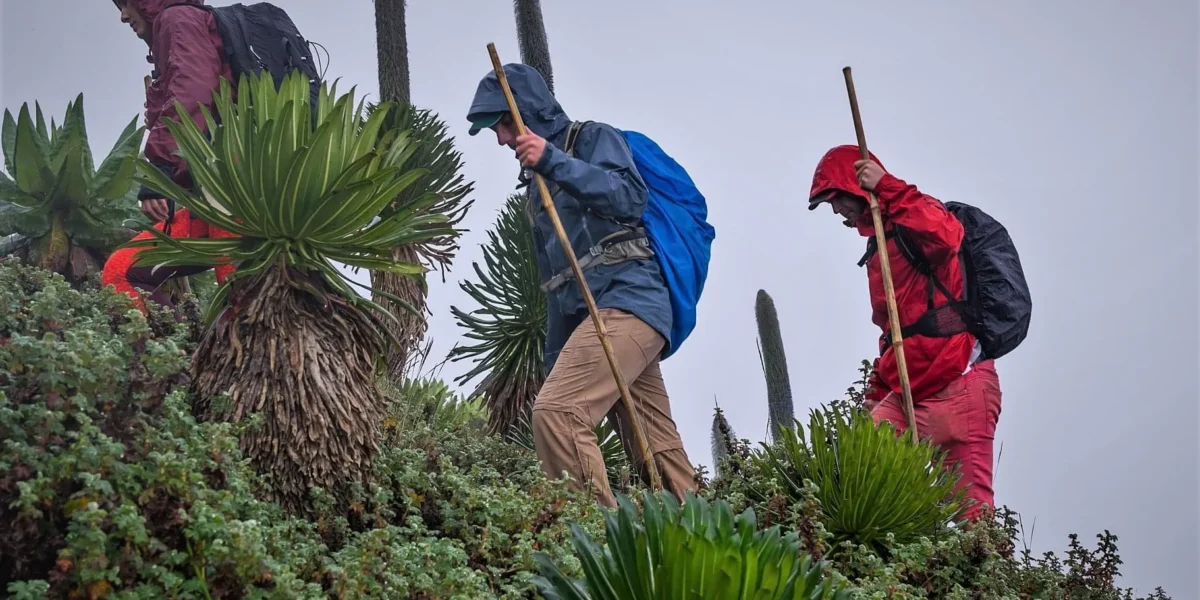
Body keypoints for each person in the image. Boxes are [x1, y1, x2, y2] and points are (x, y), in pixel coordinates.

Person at [465, 64, 696, 507]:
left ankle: (597, 545)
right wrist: (555, 362)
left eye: (503, 123)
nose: (499, 139)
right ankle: (702, 540)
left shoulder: (591, 139)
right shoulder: (536, 188)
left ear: (528, 109)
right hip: (595, 315)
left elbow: (629, 198)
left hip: (632, 301)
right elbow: (557, 283)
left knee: (559, 413)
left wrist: (552, 160)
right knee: (652, 442)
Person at [807, 144, 1002, 521]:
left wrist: (886, 187)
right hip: (910, 391)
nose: (835, 210)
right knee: (857, 467)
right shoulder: (879, 245)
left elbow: (947, 234)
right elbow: (894, 331)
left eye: (836, 198)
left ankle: (979, 579)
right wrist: (878, 390)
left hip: (960, 382)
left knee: (974, 519)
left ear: (856, 187)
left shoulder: (913, 220)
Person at [102, 0, 236, 313]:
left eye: (127, 3)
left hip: (233, 193)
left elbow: (194, 93)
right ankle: (176, 358)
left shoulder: (178, 19)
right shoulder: (186, 29)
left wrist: (159, 173)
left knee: (242, 299)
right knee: (120, 272)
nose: (123, 15)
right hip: (209, 202)